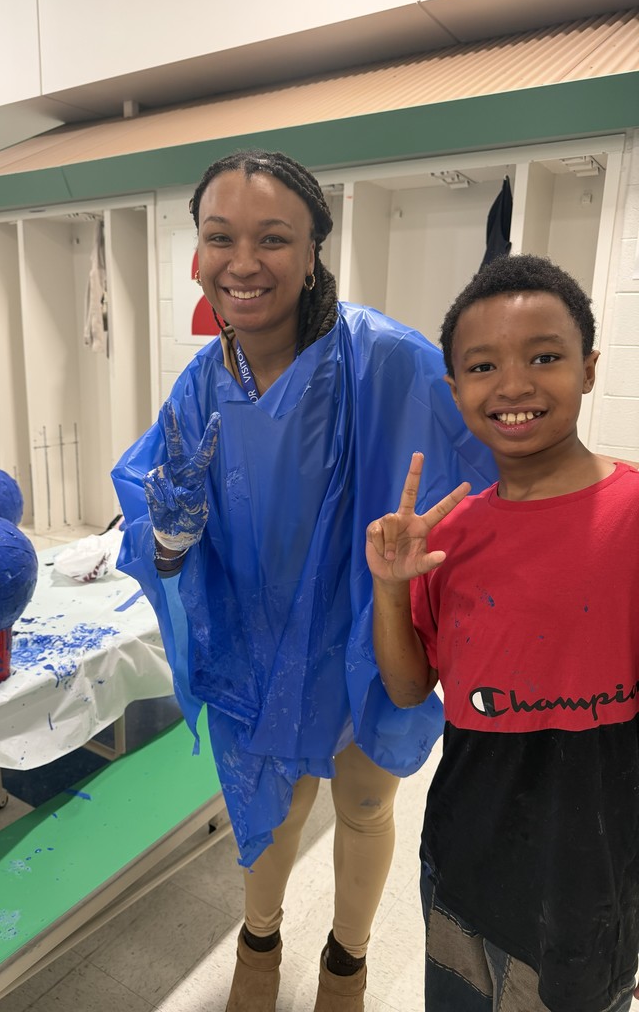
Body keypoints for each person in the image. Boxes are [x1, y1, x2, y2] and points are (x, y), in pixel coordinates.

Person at [112, 149, 498, 1011]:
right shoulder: (201, 384)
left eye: (272, 238)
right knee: (274, 805)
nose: (243, 263)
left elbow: (476, 479)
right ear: (199, 253)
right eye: (221, 238)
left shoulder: (386, 358)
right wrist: (167, 534)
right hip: (254, 638)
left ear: (316, 247)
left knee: (361, 806)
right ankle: (258, 944)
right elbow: (155, 516)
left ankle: (348, 962)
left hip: (363, 630)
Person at [366, 254, 639, 1012]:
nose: (514, 385)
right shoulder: (449, 534)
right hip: (467, 854)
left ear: (587, 369)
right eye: (483, 366)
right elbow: (407, 685)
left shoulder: (632, 516)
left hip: (598, 868)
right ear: (456, 392)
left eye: (544, 357)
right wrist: (391, 590)